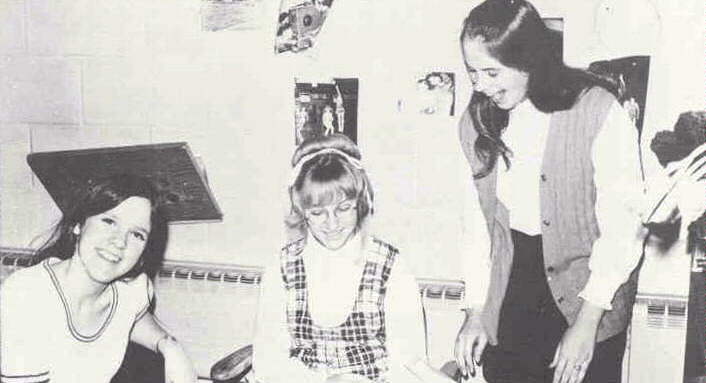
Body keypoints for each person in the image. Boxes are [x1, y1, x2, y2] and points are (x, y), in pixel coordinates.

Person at [453, 1, 650, 383]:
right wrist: (475, 311)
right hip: (513, 288)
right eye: (473, 72)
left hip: (590, 289)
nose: (480, 86)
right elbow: (476, 226)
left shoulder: (597, 108)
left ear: (527, 60)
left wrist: (587, 324)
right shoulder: (477, 122)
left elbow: (626, 227)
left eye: (491, 72)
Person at [252, 134, 451, 383]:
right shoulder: (282, 268)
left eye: (344, 208)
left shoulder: (390, 266)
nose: (332, 223)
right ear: (301, 210)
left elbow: (408, 361)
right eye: (317, 212)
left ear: (360, 203)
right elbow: (268, 359)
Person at [0, 174, 197, 383]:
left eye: (137, 234)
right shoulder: (26, 296)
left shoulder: (132, 290)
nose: (120, 242)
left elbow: (133, 317)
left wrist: (169, 346)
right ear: (78, 224)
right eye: (109, 221)